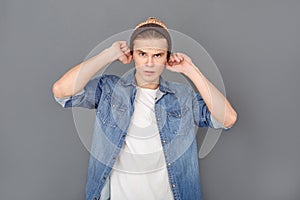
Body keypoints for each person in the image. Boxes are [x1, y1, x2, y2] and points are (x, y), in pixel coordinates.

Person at [52, 17, 237, 200]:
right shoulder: (109, 89)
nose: (149, 63)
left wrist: (190, 70)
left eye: (157, 55)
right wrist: (108, 54)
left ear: (167, 57)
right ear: (132, 55)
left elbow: (227, 118)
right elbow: (62, 91)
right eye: (142, 54)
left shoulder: (182, 97)